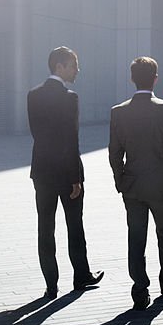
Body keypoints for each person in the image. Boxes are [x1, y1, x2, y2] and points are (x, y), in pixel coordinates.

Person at [108, 56, 163, 310]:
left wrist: (120, 180)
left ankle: (140, 291)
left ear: (132, 79)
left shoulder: (118, 112)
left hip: (132, 185)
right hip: (161, 183)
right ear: (155, 78)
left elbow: (114, 152)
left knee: (136, 237)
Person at [27, 47, 104, 300]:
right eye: (73, 65)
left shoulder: (33, 95)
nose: (77, 70)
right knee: (75, 226)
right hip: (66, 174)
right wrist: (75, 177)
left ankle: (51, 285)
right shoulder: (70, 98)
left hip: (42, 172)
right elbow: (71, 139)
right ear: (59, 67)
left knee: (45, 228)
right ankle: (81, 276)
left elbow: (37, 134)